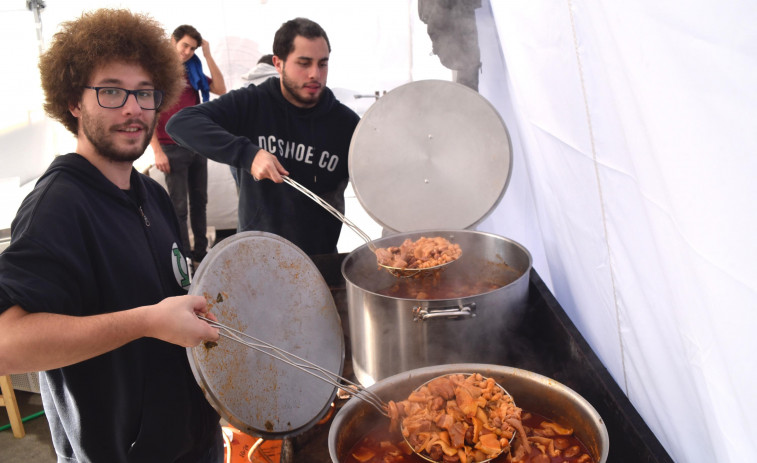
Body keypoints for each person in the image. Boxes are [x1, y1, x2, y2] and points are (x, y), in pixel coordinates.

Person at [0, 9, 223, 463]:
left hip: (194, 442)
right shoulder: (58, 207)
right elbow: (7, 345)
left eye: (144, 93)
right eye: (111, 91)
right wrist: (144, 321)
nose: (132, 108)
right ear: (73, 101)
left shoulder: (151, 195)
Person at [167, 17, 360, 255]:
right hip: (255, 256)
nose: (315, 74)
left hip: (319, 260)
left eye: (323, 64)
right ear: (278, 64)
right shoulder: (252, 103)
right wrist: (248, 154)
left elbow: (381, 184)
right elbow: (181, 124)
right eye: (303, 63)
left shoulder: (346, 124)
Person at [151, 25, 227, 266]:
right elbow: (150, 112)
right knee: (179, 207)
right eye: (184, 45)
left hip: (195, 145)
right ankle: (183, 256)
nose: (187, 52)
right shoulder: (158, 73)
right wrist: (156, 151)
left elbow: (220, 89)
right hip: (170, 147)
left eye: (192, 48)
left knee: (199, 202)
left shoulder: (193, 70)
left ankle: (201, 255)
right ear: (172, 41)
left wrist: (207, 55)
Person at [229, 54, 279, 188]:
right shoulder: (282, 82)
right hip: (273, 153)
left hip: (241, 153)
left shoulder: (239, 84)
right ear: (276, 64)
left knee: (246, 201)